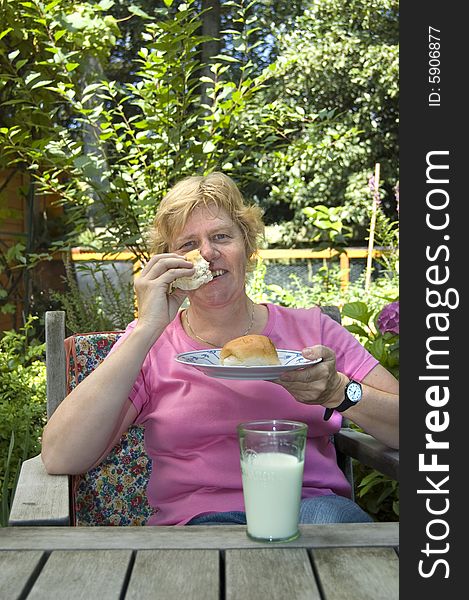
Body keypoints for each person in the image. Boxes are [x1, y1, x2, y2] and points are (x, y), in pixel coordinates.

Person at [41, 171, 399, 526]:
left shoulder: (313, 329)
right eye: (187, 245)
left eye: (221, 236)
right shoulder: (151, 344)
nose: (207, 253)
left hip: (313, 511)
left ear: (248, 247)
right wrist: (147, 328)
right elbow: (60, 456)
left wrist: (339, 391)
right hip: (199, 522)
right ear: (169, 264)